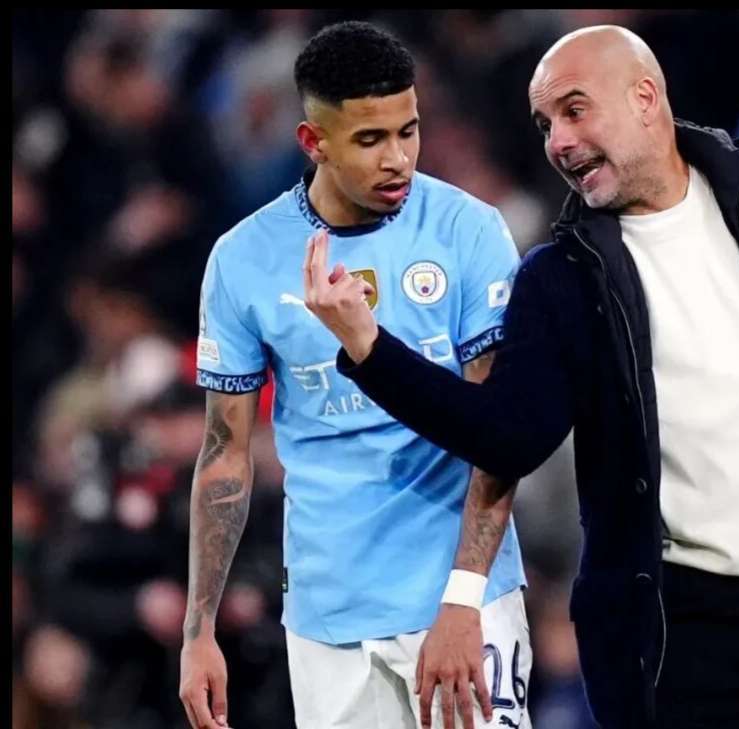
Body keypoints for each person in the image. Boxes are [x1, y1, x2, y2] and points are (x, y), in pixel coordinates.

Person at [305, 24, 739, 729]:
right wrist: (370, 348)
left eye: (575, 110)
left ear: (644, 98)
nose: (559, 142)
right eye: (545, 125)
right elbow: (508, 436)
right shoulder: (560, 278)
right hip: (692, 621)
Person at [179, 21, 532, 729]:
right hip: (326, 616)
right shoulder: (244, 259)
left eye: (409, 131)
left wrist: (464, 600)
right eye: (371, 140)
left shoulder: (469, 231)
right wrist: (198, 630)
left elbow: (499, 434)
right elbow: (225, 454)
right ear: (314, 142)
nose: (398, 158)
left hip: (459, 601)